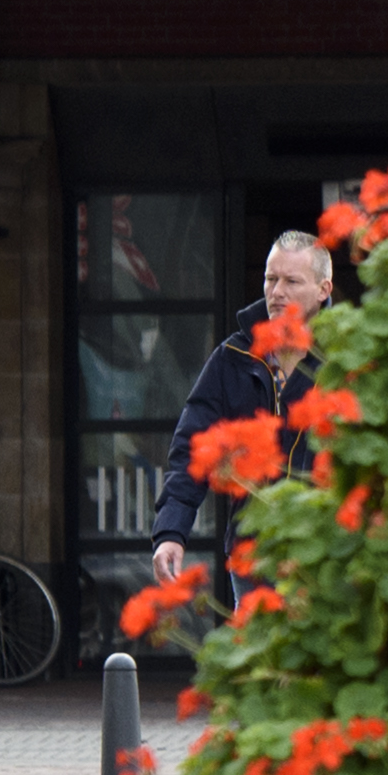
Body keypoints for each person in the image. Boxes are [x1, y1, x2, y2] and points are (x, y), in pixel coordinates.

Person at [148, 229, 335, 603]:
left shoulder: (347, 356)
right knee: (261, 661)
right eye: (270, 278)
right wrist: (170, 532)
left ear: (323, 289)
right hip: (254, 558)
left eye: (291, 281)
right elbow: (190, 449)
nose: (276, 291)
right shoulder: (233, 357)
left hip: (327, 556)